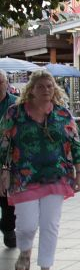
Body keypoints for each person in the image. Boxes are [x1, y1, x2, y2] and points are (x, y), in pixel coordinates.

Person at [0, 70, 80, 270]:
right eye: (41, 86)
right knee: (26, 224)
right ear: (31, 90)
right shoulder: (15, 113)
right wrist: (4, 171)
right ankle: (25, 250)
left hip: (56, 175)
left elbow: (76, 143)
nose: (46, 90)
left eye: (49, 86)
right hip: (24, 176)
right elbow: (4, 144)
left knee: (51, 224)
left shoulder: (62, 114)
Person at [0, 69, 18, 248]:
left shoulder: (15, 104)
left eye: (0, 82)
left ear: (6, 83)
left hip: (9, 157)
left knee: (7, 197)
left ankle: (8, 228)